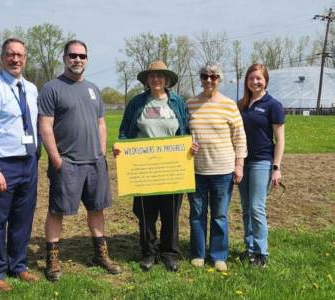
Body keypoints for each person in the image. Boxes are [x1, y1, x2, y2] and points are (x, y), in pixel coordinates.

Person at [38, 40, 122, 281]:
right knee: (57, 211)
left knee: (97, 208)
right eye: (73, 55)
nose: (77, 60)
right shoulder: (52, 88)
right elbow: (45, 126)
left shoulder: (94, 88)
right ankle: (53, 261)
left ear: (87, 59)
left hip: (95, 163)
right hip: (67, 163)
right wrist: (56, 160)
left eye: (82, 56)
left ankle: (100, 254)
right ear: (64, 58)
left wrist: (102, 153)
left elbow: (101, 123)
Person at [113, 61, 198, 272]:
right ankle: (148, 253)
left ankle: (169, 253)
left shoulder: (177, 102)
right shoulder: (137, 103)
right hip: (143, 169)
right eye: (152, 76)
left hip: (172, 168)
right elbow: (124, 131)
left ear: (167, 80)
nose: (156, 79)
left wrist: (191, 145)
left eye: (160, 76)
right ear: (147, 80)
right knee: (146, 214)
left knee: (171, 213)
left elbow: (186, 130)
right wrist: (121, 148)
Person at [0, 38, 42, 291]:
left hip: (28, 162)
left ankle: (19, 266)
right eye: (10, 55)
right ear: (2, 57)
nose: (16, 59)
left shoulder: (32, 88)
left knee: (23, 218)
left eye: (20, 55)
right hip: (3, 165)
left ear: (25, 58)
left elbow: (34, 125)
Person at [186, 61, 247, 272]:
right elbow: (182, 134)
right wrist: (186, 146)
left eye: (213, 77)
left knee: (220, 215)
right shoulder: (190, 104)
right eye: (205, 76)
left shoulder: (229, 105)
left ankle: (219, 255)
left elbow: (240, 137)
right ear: (200, 79)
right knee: (197, 214)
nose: (209, 80)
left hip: (222, 170)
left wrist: (239, 165)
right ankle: (198, 253)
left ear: (219, 79)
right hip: (194, 170)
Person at [237, 64, 285, 267]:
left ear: (265, 80)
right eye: (250, 79)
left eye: (258, 78)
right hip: (242, 162)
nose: (254, 82)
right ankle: (249, 249)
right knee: (246, 208)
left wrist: (276, 167)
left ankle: (261, 252)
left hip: (261, 162)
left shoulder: (272, 105)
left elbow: (280, 140)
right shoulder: (241, 104)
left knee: (257, 207)